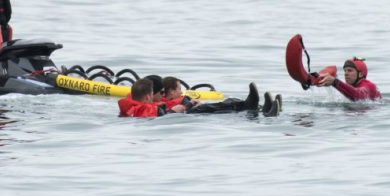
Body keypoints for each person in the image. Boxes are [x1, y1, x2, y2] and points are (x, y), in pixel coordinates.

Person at [118, 79, 281, 117]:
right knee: (213, 109)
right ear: (146, 96)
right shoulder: (137, 109)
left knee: (220, 105)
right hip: (188, 115)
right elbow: (168, 112)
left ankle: (257, 107)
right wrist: (188, 105)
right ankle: (254, 108)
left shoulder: (132, 106)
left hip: (184, 116)